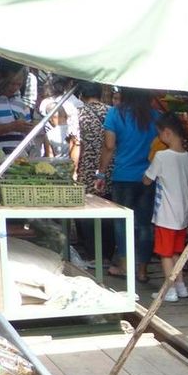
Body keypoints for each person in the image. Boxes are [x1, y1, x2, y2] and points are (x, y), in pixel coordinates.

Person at [95, 88, 159, 284]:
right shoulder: (156, 115)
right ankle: (142, 270)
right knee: (145, 224)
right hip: (149, 176)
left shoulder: (115, 113)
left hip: (123, 175)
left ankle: (124, 266)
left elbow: (109, 145)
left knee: (122, 223)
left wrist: (101, 173)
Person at [142, 113, 188, 303]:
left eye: (159, 134)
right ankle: (181, 286)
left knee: (165, 253)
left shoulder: (162, 156)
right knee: (176, 252)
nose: (158, 138)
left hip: (165, 214)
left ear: (167, 133)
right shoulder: (186, 156)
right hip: (182, 214)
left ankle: (168, 290)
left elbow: (147, 180)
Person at [75, 81, 113, 262]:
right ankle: (108, 251)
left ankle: (93, 253)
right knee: (109, 208)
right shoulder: (111, 112)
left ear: (82, 95)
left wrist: (74, 169)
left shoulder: (80, 114)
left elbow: (77, 144)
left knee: (89, 209)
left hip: (88, 166)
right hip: (109, 166)